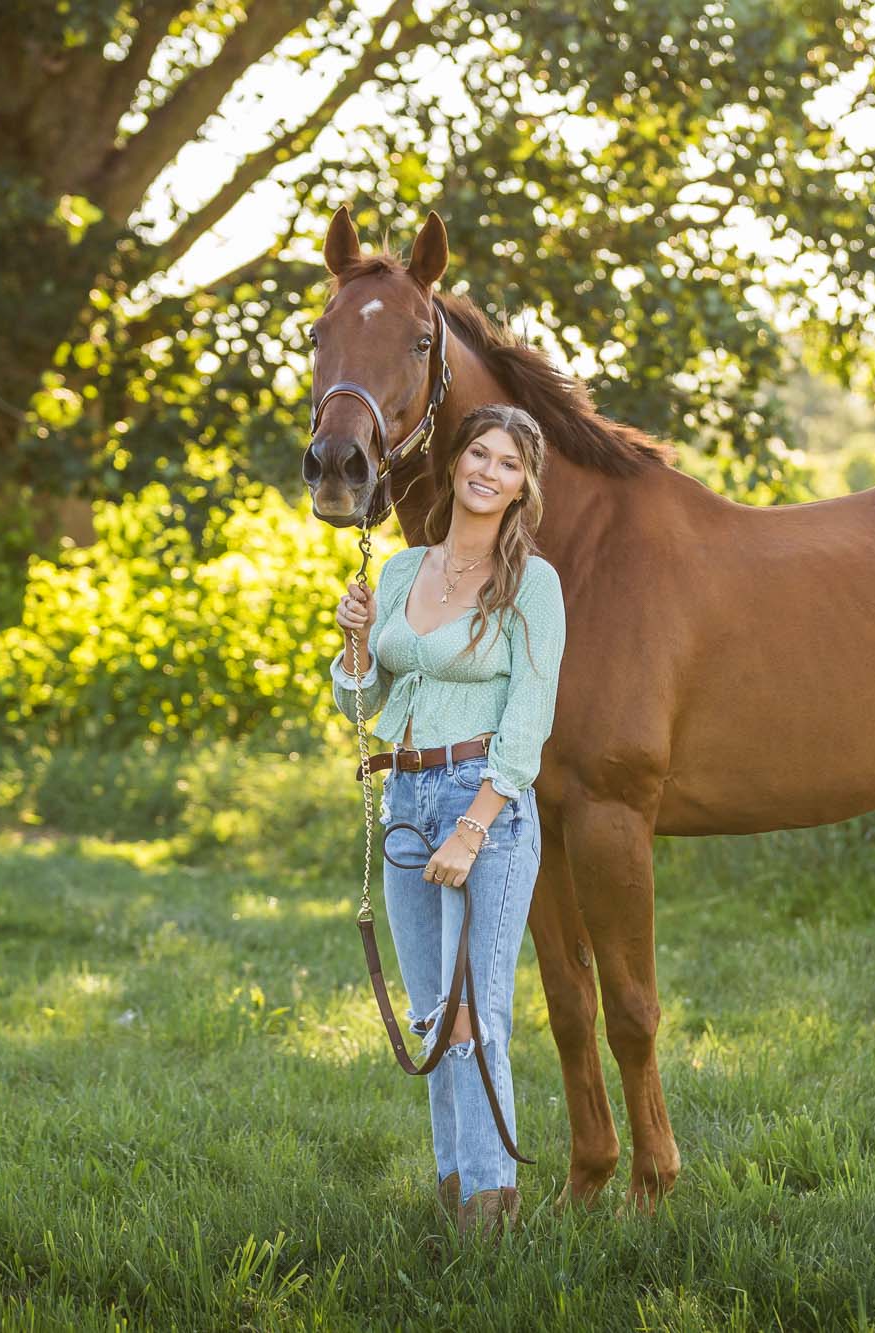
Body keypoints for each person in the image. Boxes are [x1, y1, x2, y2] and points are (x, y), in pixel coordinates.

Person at [329, 403, 565, 1238]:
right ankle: (454, 1183)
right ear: (457, 463)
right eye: (478, 453)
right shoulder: (401, 571)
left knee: (476, 1014)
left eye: (508, 463)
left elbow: (529, 721)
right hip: (404, 799)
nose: (487, 470)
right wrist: (355, 643)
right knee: (433, 1013)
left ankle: (491, 1205)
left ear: (521, 488)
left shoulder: (533, 584)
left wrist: (473, 825)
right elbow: (361, 703)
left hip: (484, 806)